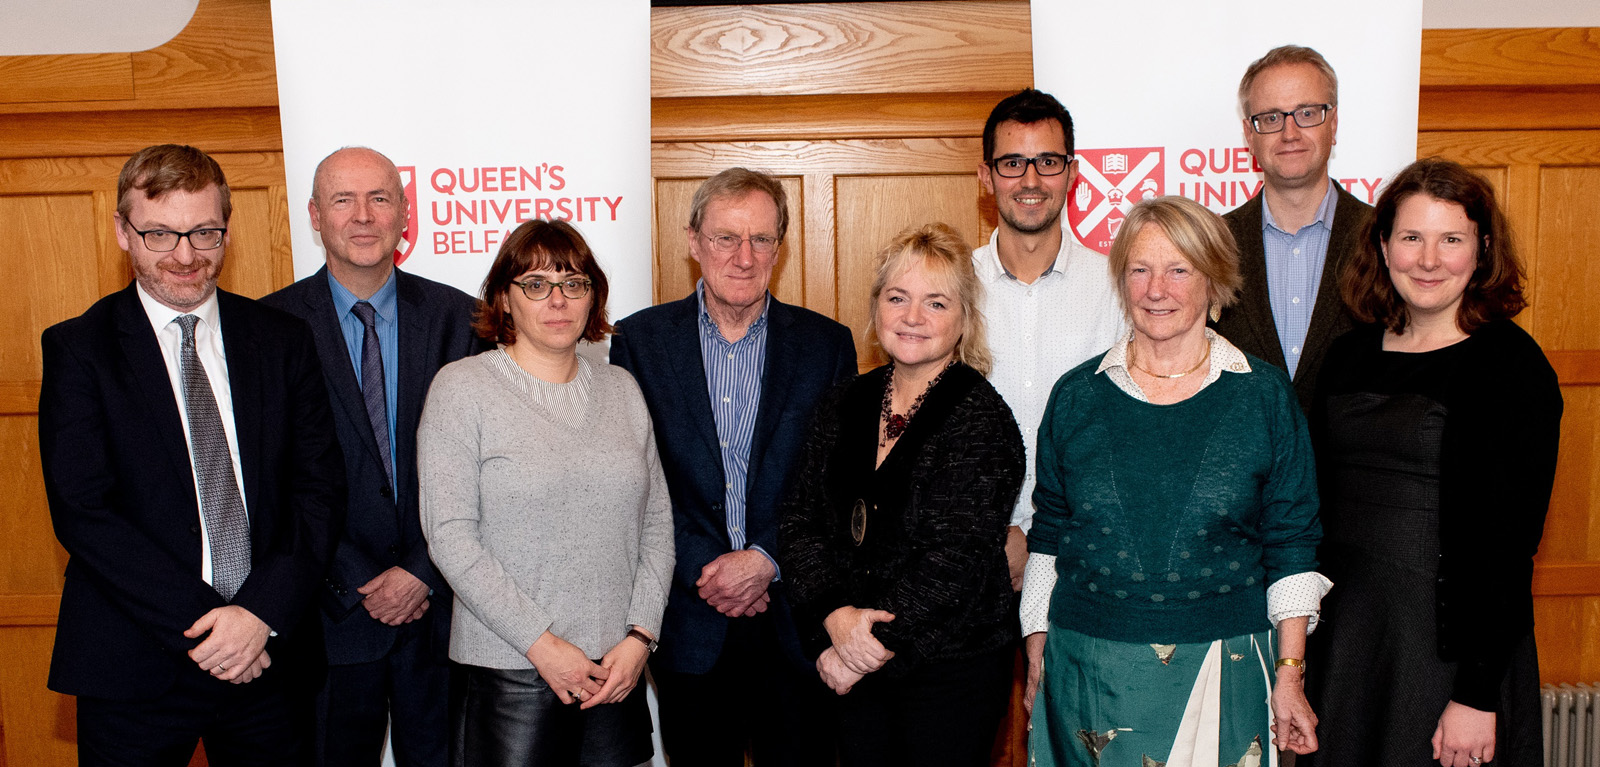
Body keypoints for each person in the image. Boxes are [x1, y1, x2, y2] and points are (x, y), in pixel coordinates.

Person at [38, 143, 345, 765]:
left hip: (268, 658)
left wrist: (257, 614)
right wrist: (219, 625)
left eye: (205, 232)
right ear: (123, 232)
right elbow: (84, 512)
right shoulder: (79, 349)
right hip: (134, 665)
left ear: (226, 229)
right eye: (160, 234)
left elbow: (319, 490)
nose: (185, 255)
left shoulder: (282, 339)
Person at [1023, 196, 1325, 766]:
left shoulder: (1263, 396)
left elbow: (1292, 543)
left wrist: (1290, 673)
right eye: (1139, 269)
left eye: (1179, 270)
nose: (1156, 289)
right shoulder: (1076, 396)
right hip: (1086, 673)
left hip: (1224, 670)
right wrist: (1036, 649)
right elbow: (1048, 536)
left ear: (1214, 281)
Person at [1305, 158, 1561, 767]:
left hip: (1447, 655)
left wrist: (1476, 694)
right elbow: (1313, 504)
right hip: (1347, 641)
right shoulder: (1347, 355)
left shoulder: (1510, 365)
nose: (1427, 260)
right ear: (1383, 245)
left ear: (1483, 249)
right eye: (1411, 237)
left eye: (1451, 240)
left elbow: (1507, 547)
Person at [610, 167, 857, 766]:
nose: (744, 257)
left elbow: (839, 482)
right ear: (694, 242)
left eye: (761, 239)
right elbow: (634, 480)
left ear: (780, 246)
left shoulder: (826, 345)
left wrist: (766, 558)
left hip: (796, 622)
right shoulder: (641, 342)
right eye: (726, 237)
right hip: (690, 617)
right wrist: (710, 567)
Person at [417, 219, 673, 765]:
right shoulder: (461, 389)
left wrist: (641, 638)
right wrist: (542, 644)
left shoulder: (622, 389)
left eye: (573, 283)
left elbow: (656, 526)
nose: (558, 300)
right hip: (508, 673)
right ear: (505, 299)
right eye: (535, 284)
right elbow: (450, 539)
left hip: (616, 672)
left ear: (592, 297)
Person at [261, 146, 483, 767]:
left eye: (379, 198)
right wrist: (351, 579)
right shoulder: (267, 327)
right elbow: (270, 480)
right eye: (343, 200)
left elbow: (486, 466)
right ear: (315, 216)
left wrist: (422, 570)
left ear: (405, 213)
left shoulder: (461, 319)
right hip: (326, 616)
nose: (363, 216)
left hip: (442, 617)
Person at [780, 223, 1025, 767]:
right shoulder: (845, 400)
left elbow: (952, 562)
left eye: (936, 302)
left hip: (948, 672)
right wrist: (834, 619)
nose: (913, 316)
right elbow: (799, 521)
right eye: (897, 298)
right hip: (849, 651)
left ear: (964, 319)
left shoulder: (982, 419)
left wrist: (861, 649)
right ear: (876, 307)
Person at [974, 89, 1126, 593]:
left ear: (1073, 172)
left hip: (1087, 555)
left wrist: (1040, 534)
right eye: (1012, 163)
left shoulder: (1119, 288)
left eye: (1048, 161)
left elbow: (1127, 435)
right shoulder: (950, 289)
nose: (1031, 180)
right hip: (972, 555)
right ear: (985, 175)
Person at [1214, 45, 1373, 414]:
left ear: (1333, 123)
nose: (1290, 132)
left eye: (1307, 113)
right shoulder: (1213, 244)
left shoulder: (1384, 237)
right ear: (1249, 134)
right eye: (1271, 118)